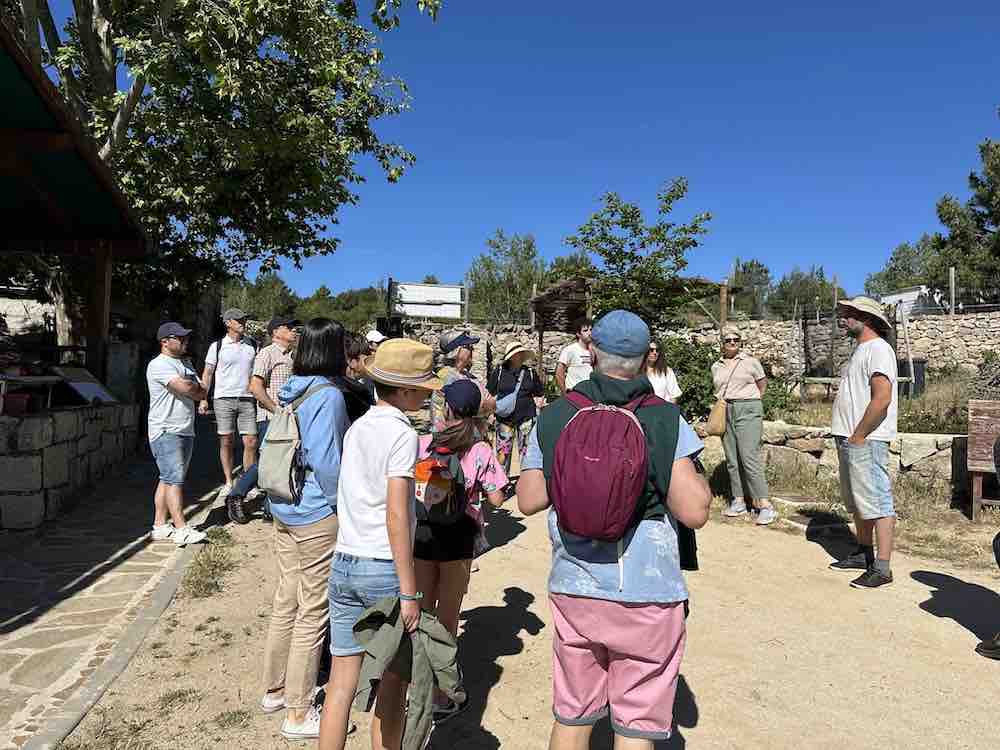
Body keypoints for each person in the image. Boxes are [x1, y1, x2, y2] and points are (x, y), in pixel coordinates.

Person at [516, 310, 712, 750]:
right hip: (646, 591)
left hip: (574, 587)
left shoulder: (558, 415)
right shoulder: (663, 418)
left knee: (573, 714)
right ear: (647, 359)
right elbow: (694, 511)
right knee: (635, 726)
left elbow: (528, 500)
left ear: (590, 351)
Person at [319, 338, 443, 750]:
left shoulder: (358, 427)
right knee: (392, 688)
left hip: (345, 561)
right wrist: (409, 591)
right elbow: (396, 516)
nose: (428, 394)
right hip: (383, 570)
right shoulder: (402, 435)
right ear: (405, 390)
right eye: (424, 387)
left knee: (341, 683)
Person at [259, 318, 351, 740]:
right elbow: (328, 462)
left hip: (283, 503)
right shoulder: (328, 395)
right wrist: (343, 506)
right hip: (315, 511)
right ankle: (297, 713)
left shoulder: (292, 388)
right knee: (314, 610)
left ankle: (274, 689)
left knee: (286, 600)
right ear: (334, 350)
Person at [414, 379, 508, 722]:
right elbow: (497, 496)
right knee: (447, 617)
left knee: (421, 612)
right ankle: (441, 694)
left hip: (422, 537)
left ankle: (416, 686)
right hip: (460, 538)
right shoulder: (480, 449)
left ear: (447, 409)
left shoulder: (424, 443)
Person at [828, 297, 899, 589]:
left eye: (848, 314)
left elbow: (882, 398)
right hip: (851, 437)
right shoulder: (861, 350)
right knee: (858, 502)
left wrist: (859, 436)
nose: (842, 318)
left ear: (866, 318)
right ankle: (863, 554)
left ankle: (882, 568)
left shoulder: (879, 349)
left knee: (878, 502)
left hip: (865, 440)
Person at [225, 316, 299, 524]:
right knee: (268, 461)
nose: (294, 331)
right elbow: (255, 387)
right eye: (289, 327)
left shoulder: (293, 356)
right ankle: (236, 494)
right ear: (275, 332)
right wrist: (276, 411)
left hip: (286, 418)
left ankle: (269, 509)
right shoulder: (267, 354)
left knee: (280, 463)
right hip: (270, 417)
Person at [145, 322, 208, 546]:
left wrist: (196, 389)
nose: (185, 342)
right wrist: (195, 389)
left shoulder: (185, 364)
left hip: (184, 428)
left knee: (167, 478)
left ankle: (160, 525)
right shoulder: (159, 364)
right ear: (165, 342)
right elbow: (190, 389)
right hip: (166, 429)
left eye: (186, 338)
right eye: (180, 338)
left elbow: (200, 389)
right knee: (175, 480)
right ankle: (181, 528)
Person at [713, 324, 777, 525]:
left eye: (736, 339)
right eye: (728, 340)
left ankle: (764, 504)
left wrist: (752, 402)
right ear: (722, 343)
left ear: (740, 341)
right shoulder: (716, 366)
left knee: (749, 455)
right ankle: (738, 500)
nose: (732, 342)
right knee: (732, 457)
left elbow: (762, 384)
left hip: (748, 407)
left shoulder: (751, 362)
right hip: (726, 409)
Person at [199, 308, 259, 496]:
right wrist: (203, 399)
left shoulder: (253, 345)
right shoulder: (217, 346)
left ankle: (247, 481)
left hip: (247, 398)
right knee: (226, 441)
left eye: (244, 319)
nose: (242, 323)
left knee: (251, 441)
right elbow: (207, 373)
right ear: (228, 323)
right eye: (238, 320)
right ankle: (228, 480)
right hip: (223, 398)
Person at [486, 342, 545, 484]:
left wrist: (539, 405)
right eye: (516, 353)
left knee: (526, 453)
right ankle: (501, 484)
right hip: (504, 419)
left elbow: (539, 392)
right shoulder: (500, 371)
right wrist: (489, 413)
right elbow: (490, 392)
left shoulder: (530, 373)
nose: (519, 356)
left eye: (521, 353)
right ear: (511, 356)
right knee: (502, 454)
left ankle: (526, 483)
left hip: (526, 418)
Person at [430, 330, 494, 433]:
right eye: (468, 347)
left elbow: (490, 404)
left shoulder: (469, 376)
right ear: (457, 351)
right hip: (456, 439)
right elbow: (438, 415)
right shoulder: (445, 377)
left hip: (473, 438)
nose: (472, 349)